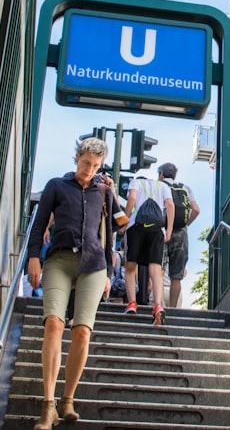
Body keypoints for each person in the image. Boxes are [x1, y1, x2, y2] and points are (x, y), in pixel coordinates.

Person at [26, 137, 117, 428]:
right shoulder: (56, 185)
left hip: (93, 265)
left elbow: (109, 235)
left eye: (96, 165)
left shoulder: (103, 192)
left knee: (82, 331)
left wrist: (108, 274)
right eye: (86, 162)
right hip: (59, 261)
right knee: (54, 323)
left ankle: (67, 400)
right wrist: (33, 258)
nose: (89, 169)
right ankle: (48, 404)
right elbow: (39, 223)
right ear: (77, 157)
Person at [123, 168, 175, 325]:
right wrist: (169, 230)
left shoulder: (136, 182)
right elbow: (170, 205)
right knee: (155, 268)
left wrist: (125, 219)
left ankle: (132, 302)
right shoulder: (163, 186)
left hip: (135, 227)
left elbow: (132, 198)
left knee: (131, 266)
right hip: (157, 230)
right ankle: (158, 305)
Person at [157, 162, 201, 308]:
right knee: (176, 276)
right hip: (181, 233)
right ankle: (173, 309)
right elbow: (196, 209)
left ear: (161, 175)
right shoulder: (185, 188)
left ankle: (159, 306)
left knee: (159, 270)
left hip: (161, 231)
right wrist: (185, 224)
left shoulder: (160, 187)